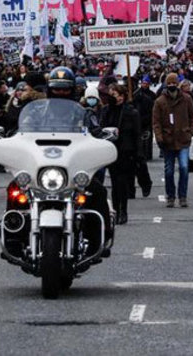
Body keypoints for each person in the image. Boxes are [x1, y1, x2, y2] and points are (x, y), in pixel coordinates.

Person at [47, 67, 112, 252]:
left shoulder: (83, 113)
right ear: (50, 89)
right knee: (15, 189)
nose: (60, 92)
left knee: (97, 192)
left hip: (74, 169)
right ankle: (14, 230)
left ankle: (100, 236)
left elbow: (97, 133)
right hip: (43, 168)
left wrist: (100, 139)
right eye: (56, 88)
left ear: (73, 89)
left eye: (64, 89)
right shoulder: (40, 112)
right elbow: (21, 130)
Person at [152, 72, 193, 208]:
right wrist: (159, 138)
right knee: (169, 170)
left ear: (177, 84)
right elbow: (156, 122)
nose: (171, 86)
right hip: (168, 140)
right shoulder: (160, 101)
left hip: (183, 138)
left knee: (184, 167)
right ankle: (170, 196)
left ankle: (182, 196)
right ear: (166, 85)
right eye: (169, 83)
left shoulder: (186, 99)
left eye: (173, 83)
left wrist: (190, 131)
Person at [100, 85, 141, 225]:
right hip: (111, 150)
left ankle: (123, 210)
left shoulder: (131, 112)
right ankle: (116, 210)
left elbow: (136, 134)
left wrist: (138, 154)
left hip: (126, 151)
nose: (115, 97)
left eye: (117, 94)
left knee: (122, 182)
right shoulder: (106, 110)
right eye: (112, 94)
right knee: (114, 182)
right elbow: (101, 128)